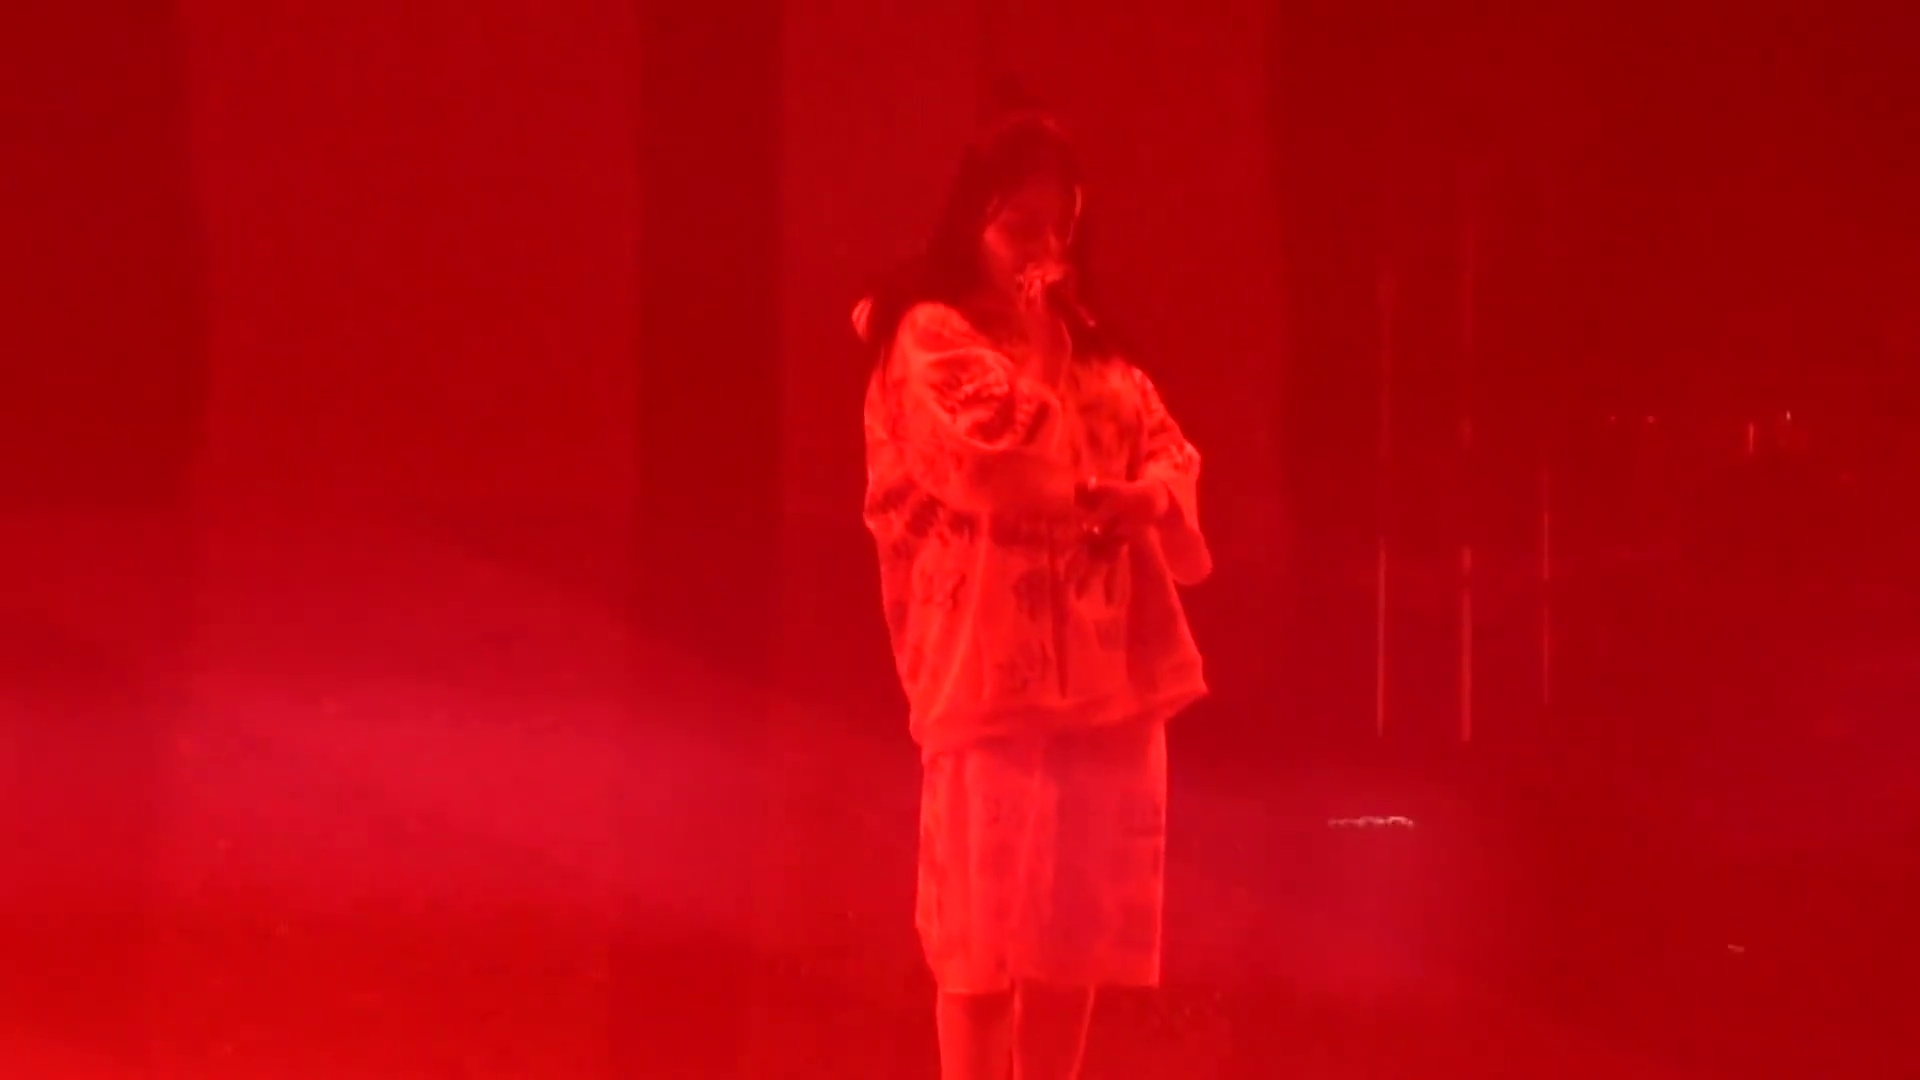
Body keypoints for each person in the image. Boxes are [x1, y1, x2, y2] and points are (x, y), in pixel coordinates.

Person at [854, 112, 1212, 1080]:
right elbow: (994, 459)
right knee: (982, 945)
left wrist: (1152, 499)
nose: (1045, 247)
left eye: (1062, 225)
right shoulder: (933, 337)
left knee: (1071, 940)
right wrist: (1054, 370)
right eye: (1021, 224)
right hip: (992, 680)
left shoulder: (1098, 356)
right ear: (974, 222)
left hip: (1105, 679)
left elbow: (1168, 453)